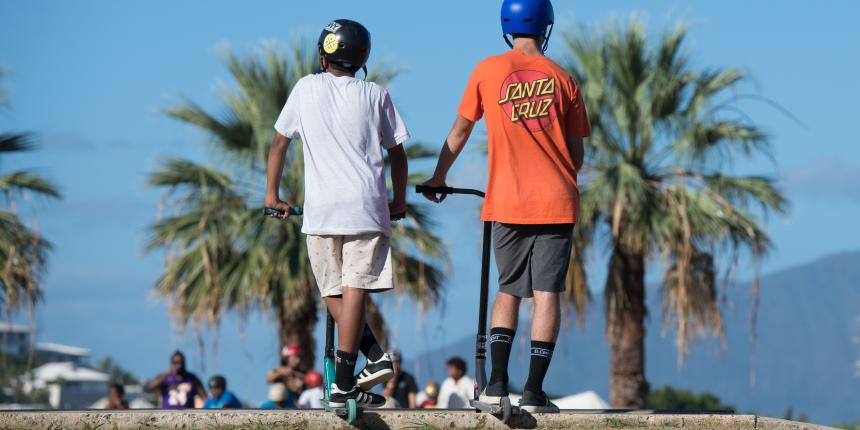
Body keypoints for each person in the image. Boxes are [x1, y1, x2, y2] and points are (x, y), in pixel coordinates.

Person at [421, 0, 589, 414]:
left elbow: (460, 130)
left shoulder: (486, 71)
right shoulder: (564, 79)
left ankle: (496, 384)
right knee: (547, 294)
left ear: (506, 27)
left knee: (509, 290)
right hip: (557, 202)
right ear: (546, 27)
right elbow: (577, 154)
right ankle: (533, 390)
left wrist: (440, 176)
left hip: (507, 201)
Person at [265, 18, 408, 409]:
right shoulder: (376, 94)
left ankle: (356, 373)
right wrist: (398, 201)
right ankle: (360, 369)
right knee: (354, 289)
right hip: (366, 207)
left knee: (333, 291)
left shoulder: (305, 87)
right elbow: (397, 153)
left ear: (323, 55)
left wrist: (272, 195)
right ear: (363, 57)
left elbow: (279, 144)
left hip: (321, 211)